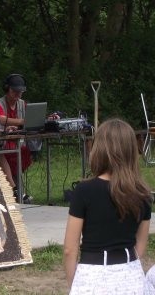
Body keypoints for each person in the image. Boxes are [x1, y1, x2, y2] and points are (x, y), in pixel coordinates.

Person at [63, 118, 152, 293]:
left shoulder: (84, 190)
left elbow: (69, 248)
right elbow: (140, 245)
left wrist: (75, 284)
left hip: (92, 274)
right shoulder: (143, 193)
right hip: (131, 274)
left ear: (99, 150)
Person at [0, 74, 33, 203]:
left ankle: (15, 188)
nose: (18, 94)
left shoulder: (23, 104)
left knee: (25, 151)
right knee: (6, 155)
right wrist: (22, 121)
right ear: (7, 89)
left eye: (20, 91)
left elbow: (32, 117)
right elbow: (1, 119)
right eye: (15, 91)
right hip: (1, 143)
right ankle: (15, 189)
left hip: (17, 143)